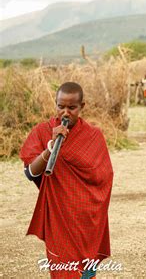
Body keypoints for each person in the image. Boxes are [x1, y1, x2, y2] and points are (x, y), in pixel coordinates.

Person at [20, 82, 114, 279]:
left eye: (72, 108)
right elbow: (30, 173)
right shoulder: (42, 132)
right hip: (59, 217)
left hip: (88, 220)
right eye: (60, 106)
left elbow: (104, 177)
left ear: (82, 107)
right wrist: (50, 148)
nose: (65, 112)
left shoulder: (93, 136)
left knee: (85, 273)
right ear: (55, 104)